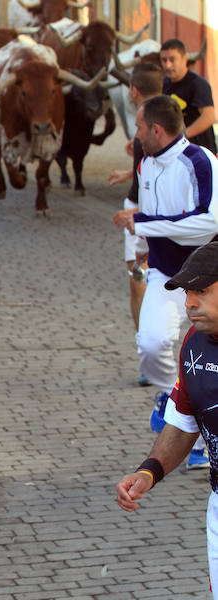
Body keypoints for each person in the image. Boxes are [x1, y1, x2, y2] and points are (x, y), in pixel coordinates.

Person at [113, 94, 218, 468]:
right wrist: (138, 244)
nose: (136, 134)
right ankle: (170, 397)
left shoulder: (200, 161)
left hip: (206, 279)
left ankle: (202, 441)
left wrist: (144, 224)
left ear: (156, 129)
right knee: (151, 343)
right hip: (162, 271)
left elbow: (210, 220)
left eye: (139, 127)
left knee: (207, 359)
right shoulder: (144, 165)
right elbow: (149, 213)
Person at [115, 238, 218, 600]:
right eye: (187, 292)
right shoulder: (193, 343)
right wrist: (149, 471)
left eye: (202, 291)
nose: (189, 303)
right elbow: (182, 423)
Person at [106, 63, 162, 386]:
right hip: (145, 207)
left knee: (138, 279)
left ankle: (148, 357)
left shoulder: (146, 120)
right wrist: (130, 171)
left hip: (141, 210)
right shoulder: (164, 116)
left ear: (133, 90)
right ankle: (151, 355)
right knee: (143, 275)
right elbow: (150, 164)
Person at [161, 38, 217, 155]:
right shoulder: (163, 84)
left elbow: (209, 117)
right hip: (176, 152)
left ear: (184, 59)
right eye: (164, 60)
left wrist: (182, 135)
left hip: (201, 152)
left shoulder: (198, 84)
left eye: (172, 59)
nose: (168, 65)